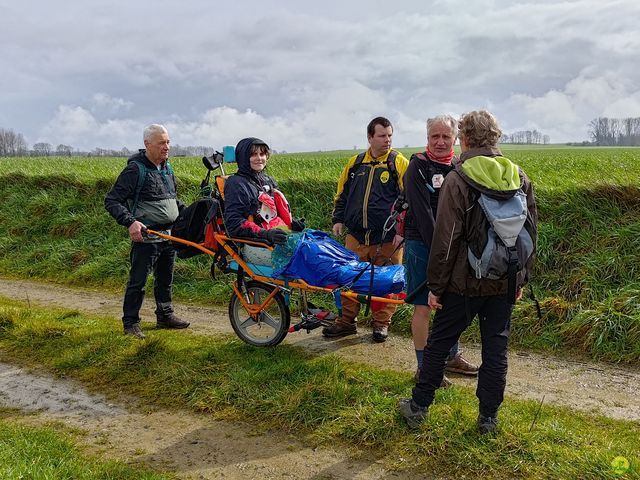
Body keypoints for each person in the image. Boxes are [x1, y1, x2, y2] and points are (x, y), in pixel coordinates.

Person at [399, 110, 537, 434]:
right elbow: (530, 233)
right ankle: (488, 418)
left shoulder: (459, 179)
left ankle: (418, 407)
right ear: (495, 137)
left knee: (439, 343)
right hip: (504, 281)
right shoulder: (518, 175)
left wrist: (436, 285)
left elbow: (446, 240)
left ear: (465, 139)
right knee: (496, 349)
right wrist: (520, 278)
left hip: (464, 284)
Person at [403, 115, 478, 385]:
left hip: (453, 247)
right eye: (435, 136)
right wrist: (442, 251)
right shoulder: (417, 168)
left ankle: (451, 356)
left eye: (446, 136)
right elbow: (423, 217)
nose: (440, 141)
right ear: (427, 138)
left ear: (456, 139)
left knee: (453, 302)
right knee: (423, 305)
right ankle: (425, 368)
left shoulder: (461, 166)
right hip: (422, 245)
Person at [322, 117, 409, 343]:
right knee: (347, 277)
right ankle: (346, 321)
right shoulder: (355, 164)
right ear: (370, 137)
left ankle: (381, 324)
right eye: (382, 136)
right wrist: (338, 219)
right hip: (356, 236)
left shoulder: (398, 163)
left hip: (388, 238)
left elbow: (409, 199)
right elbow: (341, 194)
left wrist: (402, 230)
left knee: (387, 282)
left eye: (390, 135)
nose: (387, 140)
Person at [105, 124, 190, 340]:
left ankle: (165, 315)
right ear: (147, 144)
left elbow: (170, 199)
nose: (166, 146)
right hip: (147, 236)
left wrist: (187, 214)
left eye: (168, 142)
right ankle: (131, 323)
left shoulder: (167, 168)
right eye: (161, 142)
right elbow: (112, 200)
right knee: (139, 280)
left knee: (165, 279)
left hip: (169, 236)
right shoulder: (135, 170)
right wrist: (130, 222)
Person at [223, 137, 304, 248]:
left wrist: (292, 223)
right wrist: (265, 234)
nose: (259, 158)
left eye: (262, 154)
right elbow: (234, 223)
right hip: (256, 243)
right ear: (243, 157)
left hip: (275, 235)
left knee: (319, 245)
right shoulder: (236, 184)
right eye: (253, 154)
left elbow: (274, 212)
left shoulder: (267, 180)